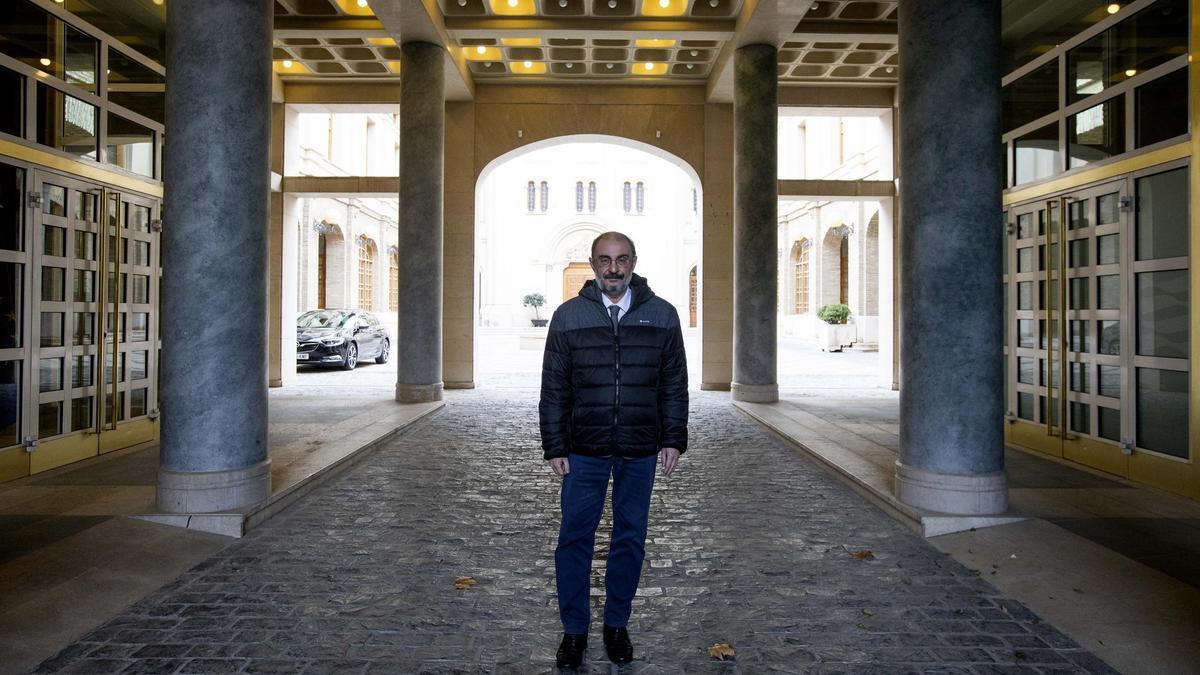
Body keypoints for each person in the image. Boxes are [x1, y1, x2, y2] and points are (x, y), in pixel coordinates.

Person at [539, 231, 689, 668]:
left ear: (634, 261)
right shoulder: (568, 317)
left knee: (629, 540)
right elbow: (554, 388)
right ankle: (574, 632)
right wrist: (555, 444)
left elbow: (674, 384)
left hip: (639, 448)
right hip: (583, 449)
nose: (614, 269)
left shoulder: (663, 315)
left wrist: (673, 437)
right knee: (574, 541)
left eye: (622, 259)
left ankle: (617, 624)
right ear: (593, 263)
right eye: (605, 260)